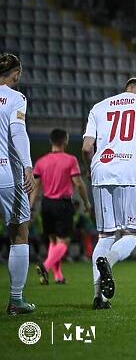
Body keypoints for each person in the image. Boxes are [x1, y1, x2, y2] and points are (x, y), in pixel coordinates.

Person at [82, 77, 136, 310]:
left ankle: (100, 297)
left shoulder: (99, 106)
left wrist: (92, 168)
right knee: (130, 234)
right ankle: (108, 261)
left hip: (101, 170)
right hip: (131, 172)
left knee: (105, 236)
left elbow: (87, 147)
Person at [31, 128, 91, 284]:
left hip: (46, 204)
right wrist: (86, 202)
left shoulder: (41, 162)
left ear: (51, 141)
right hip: (63, 204)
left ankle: (58, 276)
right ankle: (45, 266)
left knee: (53, 242)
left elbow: (36, 187)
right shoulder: (70, 160)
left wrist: (31, 207)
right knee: (64, 242)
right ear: (65, 140)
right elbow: (79, 184)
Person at [0, 54, 36, 315]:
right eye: (18, 73)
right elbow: (17, 132)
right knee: (19, 234)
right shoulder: (16, 98)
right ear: (14, 73)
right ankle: (16, 300)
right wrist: (27, 165)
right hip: (5, 174)